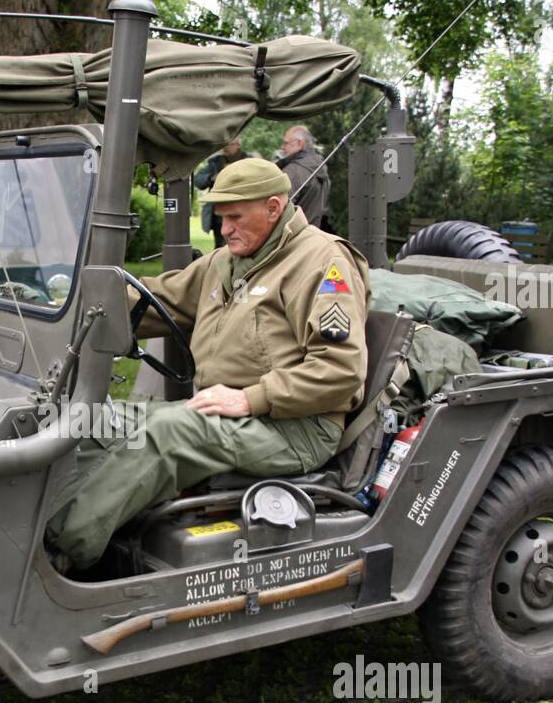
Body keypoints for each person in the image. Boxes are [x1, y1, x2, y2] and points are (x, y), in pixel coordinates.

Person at [46, 158, 370, 570]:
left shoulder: (322, 262)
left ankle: (64, 554)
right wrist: (71, 307)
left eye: (235, 217)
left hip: (297, 426)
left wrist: (253, 398)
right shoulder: (226, 262)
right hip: (226, 411)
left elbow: (340, 370)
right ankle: (49, 525)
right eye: (221, 218)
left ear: (274, 208)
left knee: (165, 432)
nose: (226, 229)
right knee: (98, 420)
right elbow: (155, 301)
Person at [193, 137, 249, 249]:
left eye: (228, 144)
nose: (224, 148)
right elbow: (197, 180)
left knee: (242, 244)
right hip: (219, 214)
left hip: (242, 211)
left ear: (237, 144)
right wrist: (212, 177)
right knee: (220, 247)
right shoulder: (215, 162)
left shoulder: (248, 161)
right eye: (223, 144)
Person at [277, 125, 331, 228]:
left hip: (292, 239)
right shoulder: (320, 168)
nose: (282, 147)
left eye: (285, 143)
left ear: (299, 143)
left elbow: (277, 213)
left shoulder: (294, 171)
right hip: (313, 236)